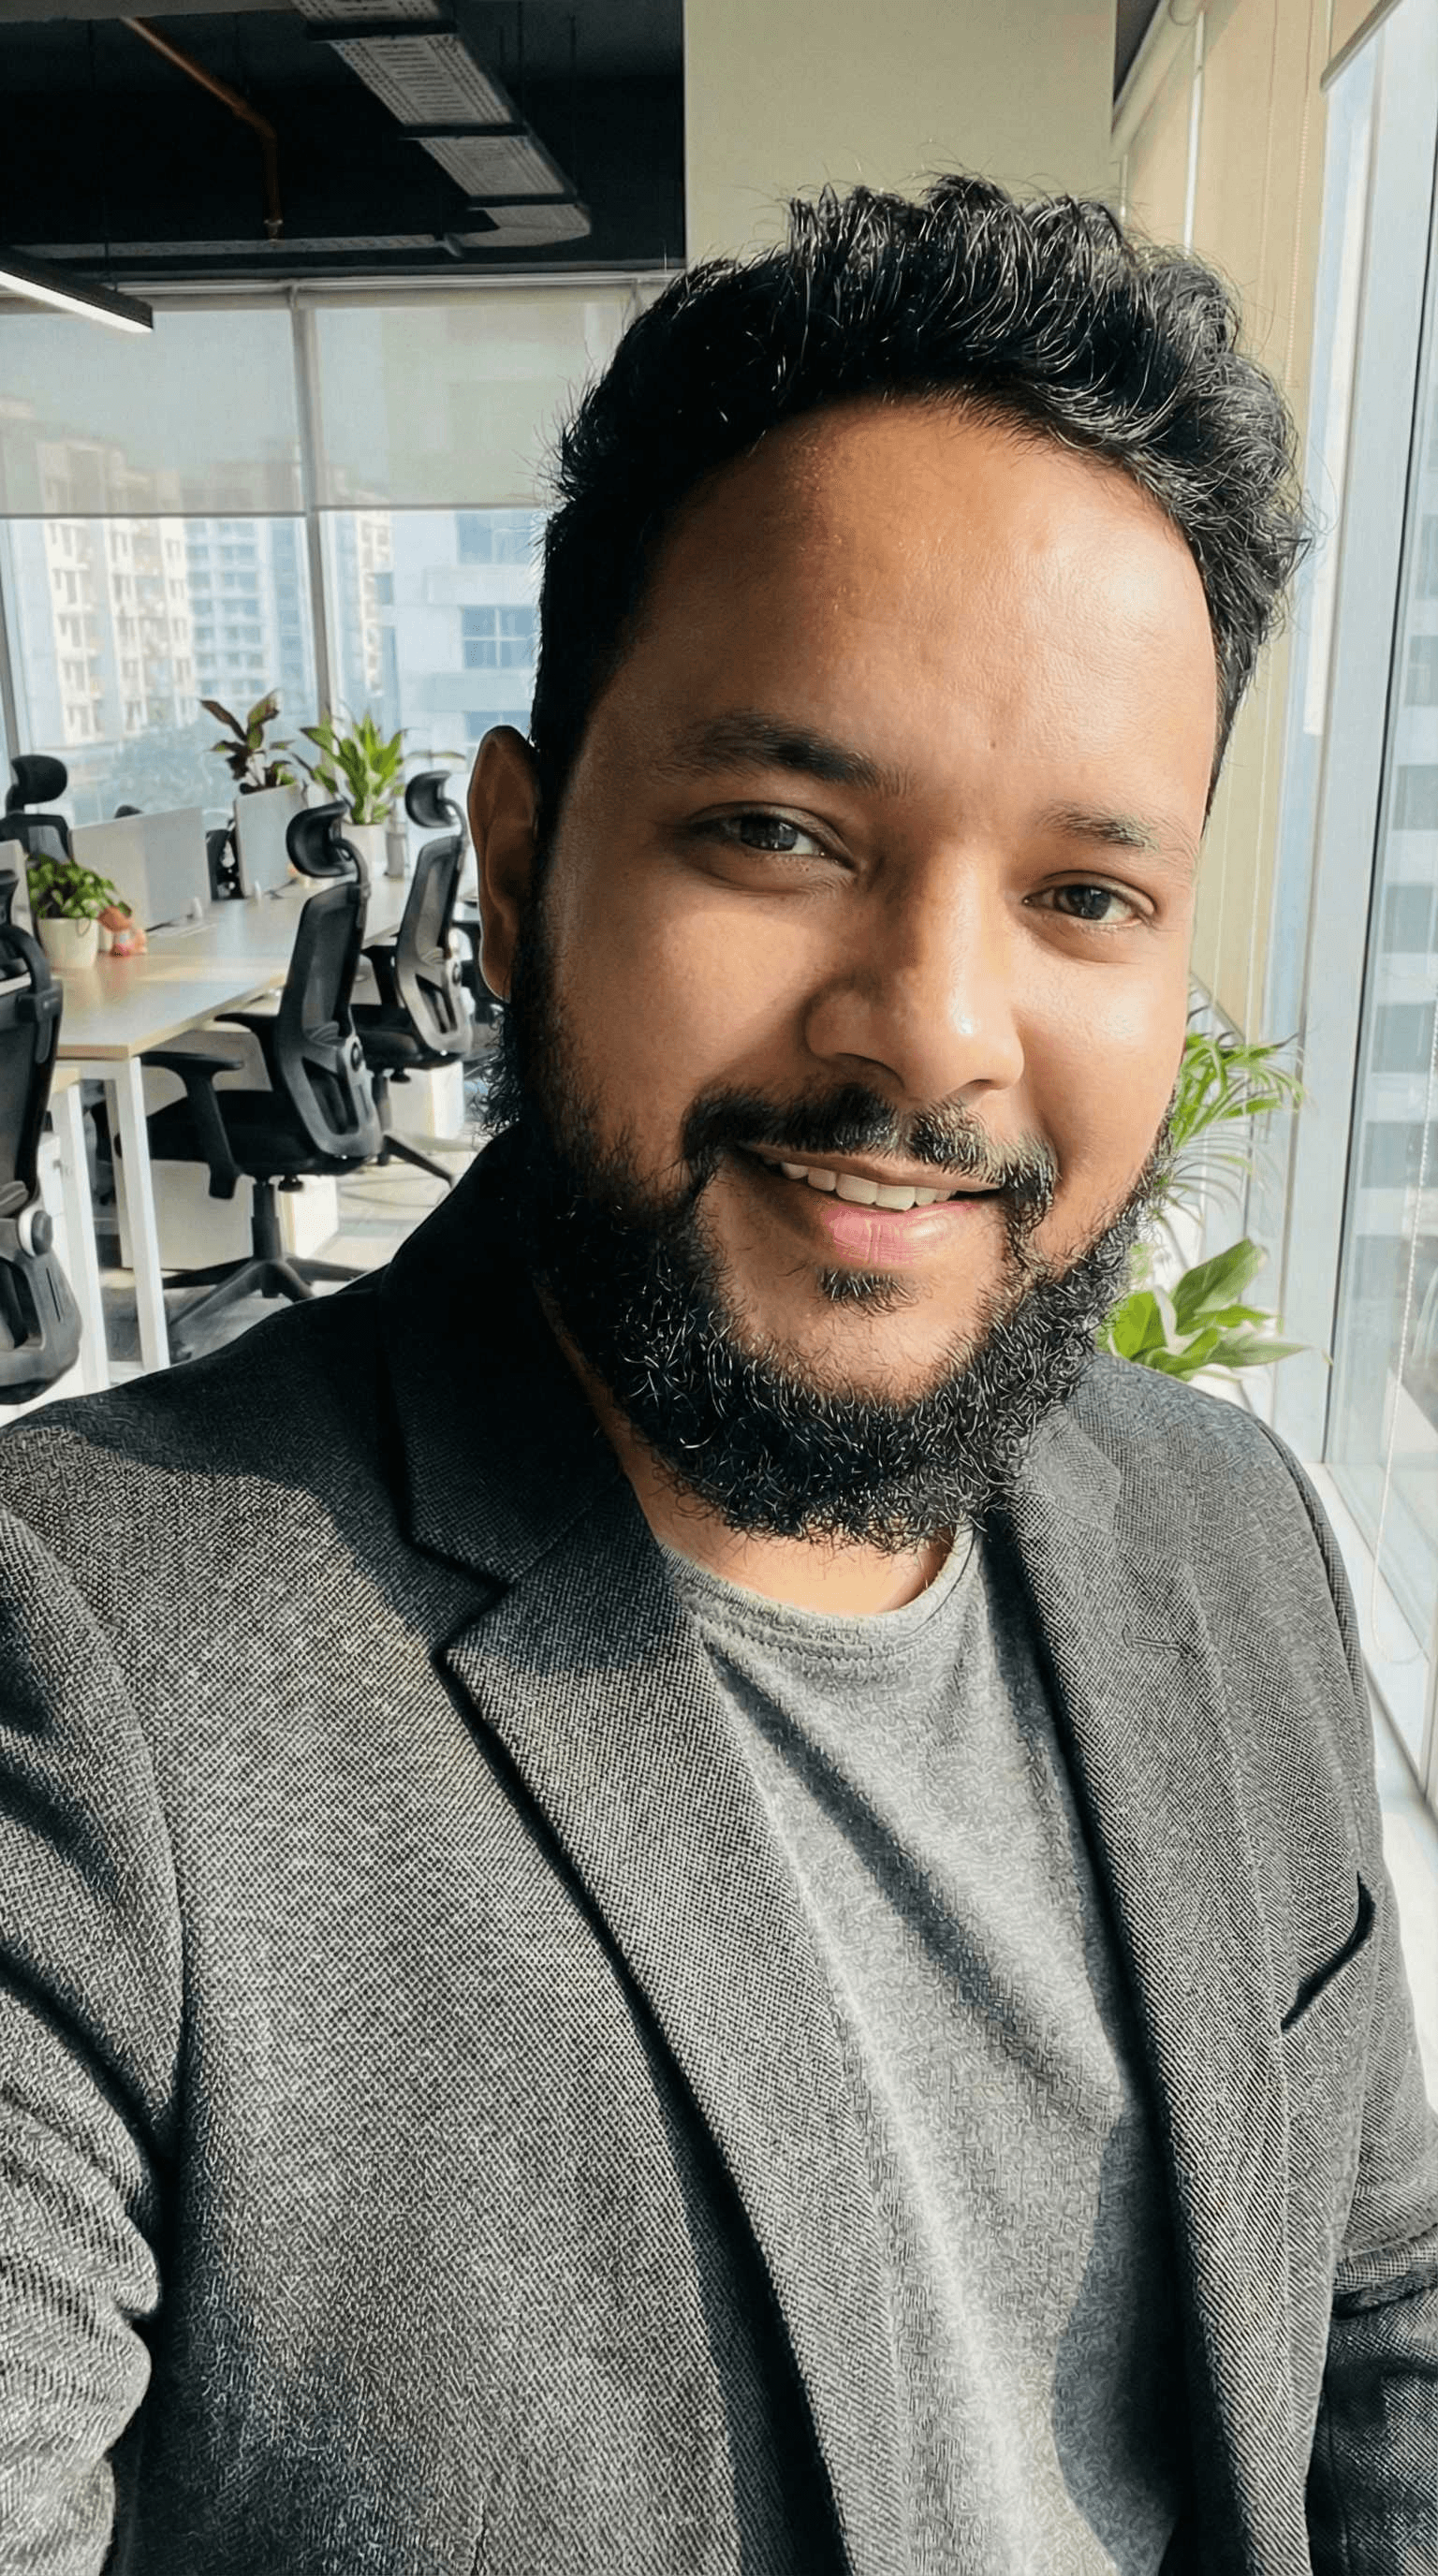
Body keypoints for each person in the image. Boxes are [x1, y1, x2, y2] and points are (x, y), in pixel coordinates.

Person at [0, 175, 1433, 2576]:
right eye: (780, 832)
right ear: (528, 841)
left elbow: (1388, 2303)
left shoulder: (1234, 1528)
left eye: (1087, 896)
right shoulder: (89, 1672)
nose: (936, 1033)